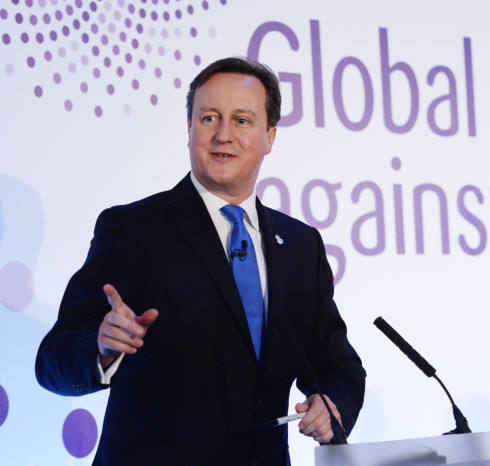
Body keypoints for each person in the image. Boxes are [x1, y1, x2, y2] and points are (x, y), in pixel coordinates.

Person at [35, 57, 366, 465]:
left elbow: (340, 366)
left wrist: (331, 405)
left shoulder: (300, 246)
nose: (223, 135)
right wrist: (101, 349)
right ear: (189, 130)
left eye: (242, 120)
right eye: (209, 118)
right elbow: (52, 359)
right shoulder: (135, 229)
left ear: (270, 136)